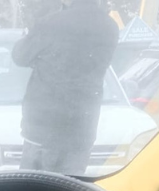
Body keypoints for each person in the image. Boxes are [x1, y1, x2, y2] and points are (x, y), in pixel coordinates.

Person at [11, 0, 119, 175]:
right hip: (82, 129)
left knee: (33, 188)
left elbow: (20, 56)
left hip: (42, 127)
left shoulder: (52, 23)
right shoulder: (110, 27)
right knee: (70, 188)